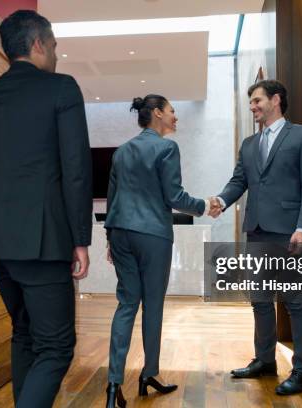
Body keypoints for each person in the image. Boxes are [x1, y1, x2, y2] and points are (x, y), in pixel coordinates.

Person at [0, 10, 92, 408]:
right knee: (57, 347)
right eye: (54, 46)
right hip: (43, 240)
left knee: (25, 333)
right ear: (37, 44)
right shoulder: (61, 89)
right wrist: (80, 239)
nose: (57, 55)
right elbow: (76, 169)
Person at [209, 79, 302, 395]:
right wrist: (220, 200)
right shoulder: (249, 144)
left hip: (288, 232)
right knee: (259, 299)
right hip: (256, 230)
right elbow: (238, 181)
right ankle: (265, 361)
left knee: (296, 303)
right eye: (251, 103)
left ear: (276, 99)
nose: (253, 107)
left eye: (257, 101)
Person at [104, 95, 216, 407]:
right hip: (152, 234)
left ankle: (113, 386)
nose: (175, 116)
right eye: (172, 111)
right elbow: (175, 196)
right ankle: (147, 374)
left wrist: (110, 240)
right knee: (152, 305)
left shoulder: (122, 151)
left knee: (126, 304)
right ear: (157, 114)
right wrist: (205, 206)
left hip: (120, 233)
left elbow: (113, 198)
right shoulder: (167, 147)